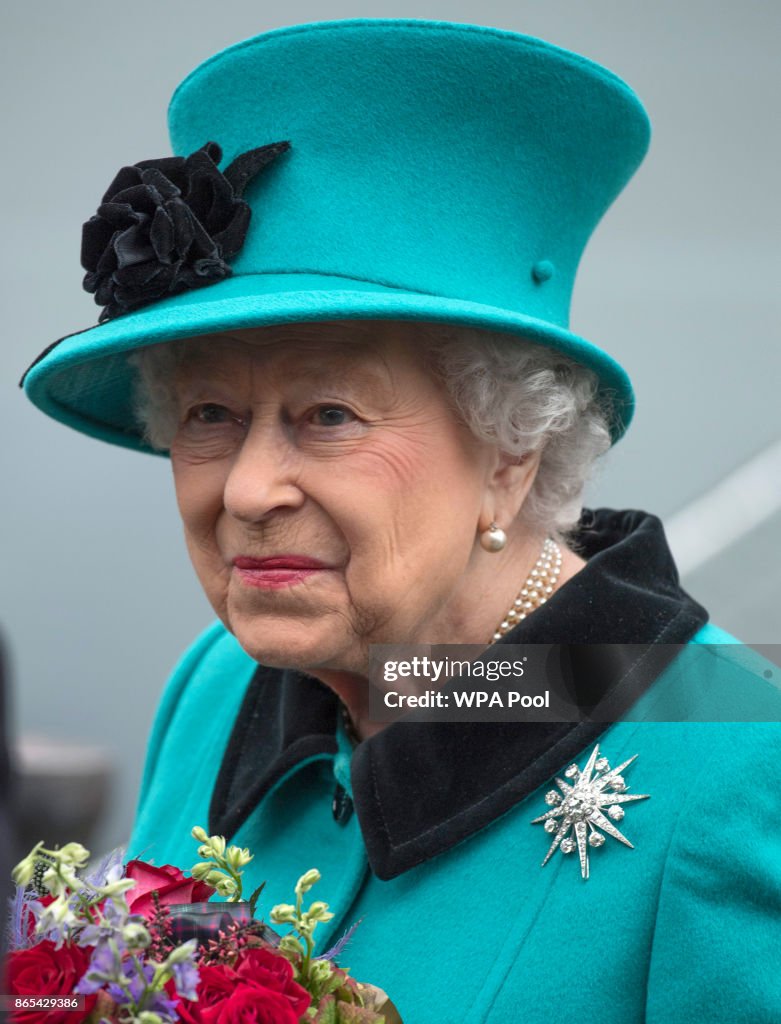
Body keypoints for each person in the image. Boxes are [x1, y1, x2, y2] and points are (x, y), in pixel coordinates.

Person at [20, 17, 781, 1023]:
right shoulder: (216, 683)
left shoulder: (735, 767)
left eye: (328, 415)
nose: (248, 491)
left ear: (511, 448)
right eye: (210, 413)